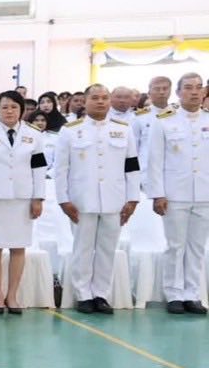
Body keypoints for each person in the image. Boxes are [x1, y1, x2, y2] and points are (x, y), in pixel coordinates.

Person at [55, 84, 140, 314]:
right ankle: (83, 294)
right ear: (85, 101)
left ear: (109, 101)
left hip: (114, 199)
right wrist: (63, 199)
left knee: (107, 249)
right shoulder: (70, 131)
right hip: (81, 200)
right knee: (82, 248)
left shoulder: (123, 130)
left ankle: (101, 294)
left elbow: (132, 166)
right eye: (95, 98)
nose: (101, 102)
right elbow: (61, 169)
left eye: (104, 98)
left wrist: (133, 199)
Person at [0, 92, 48, 315]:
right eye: (4, 107)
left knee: (18, 247)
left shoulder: (34, 135)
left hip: (22, 198)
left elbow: (39, 169)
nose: (9, 111)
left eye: (14, 107)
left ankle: (12, 295)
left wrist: (38, 197)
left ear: (22, 109)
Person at [146, 73, 209, 314]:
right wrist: (157, 194)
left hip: (204, 193)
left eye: (198, 87)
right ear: (179, 93)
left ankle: (192, 294)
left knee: (197, 247)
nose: (194, 92)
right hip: (174, 193)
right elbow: (155, 161)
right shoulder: (164, 121)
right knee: (175, 246)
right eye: (189, 88)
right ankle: (174, 294)